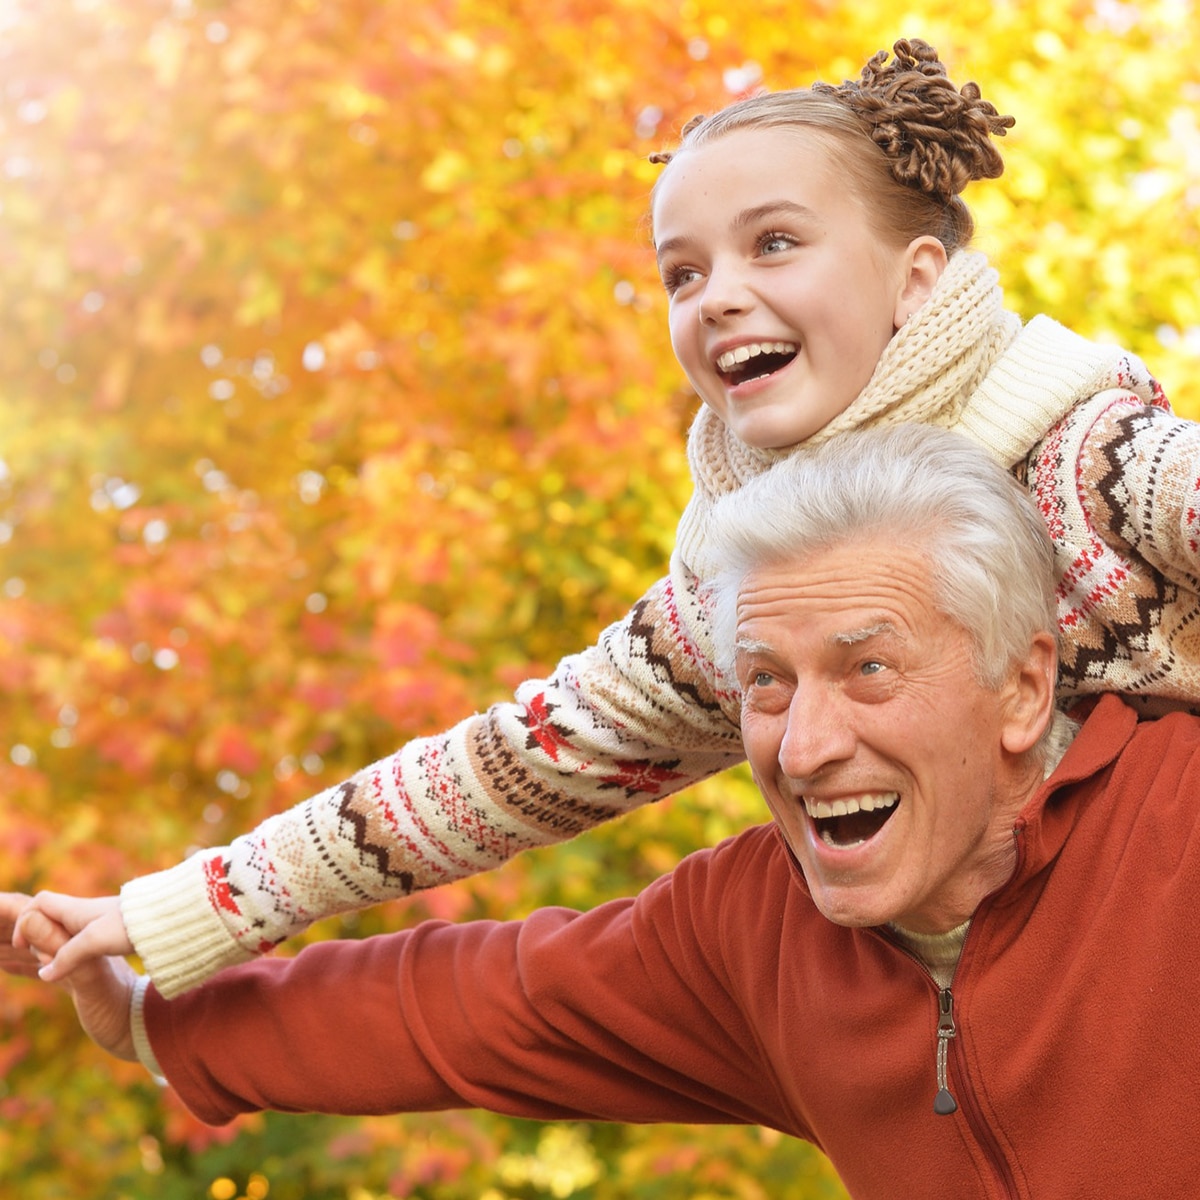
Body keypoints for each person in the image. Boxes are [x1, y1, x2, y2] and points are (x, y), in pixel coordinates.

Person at [9, 38, 1200, 1000]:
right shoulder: (732, 597)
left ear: (918, 282)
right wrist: (178, 908)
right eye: (682, 273)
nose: (718, 293)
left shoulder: (1088, 463)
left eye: (774, 243)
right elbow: (500, 770)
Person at [12, 424, 1200, 1198]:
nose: (802, 743)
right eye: (767, 684)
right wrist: (156, 1024)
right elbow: (466, 1008)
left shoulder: (1177, 829)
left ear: (1025, 685)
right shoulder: (755, 933)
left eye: (869, 669)